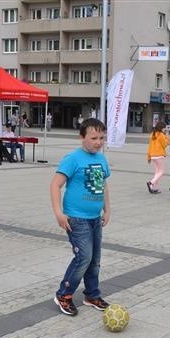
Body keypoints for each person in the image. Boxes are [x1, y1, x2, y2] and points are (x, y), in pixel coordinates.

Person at [50, 118, 111, 316]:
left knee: (95, 260)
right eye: (93, 138)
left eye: (102, 138)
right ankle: (64, 294)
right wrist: (59, 213)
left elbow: (104, 185)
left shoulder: (101, 159)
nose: (98, 142)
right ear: (81, 137)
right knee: (83, 257)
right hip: (77, 218)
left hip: (95, 218)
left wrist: (107, 209)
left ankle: (92, 294)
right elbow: (55, 185)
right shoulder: (73, 158)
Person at [146, 121, 170, 194]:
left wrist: (149, 157)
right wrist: (167, 136)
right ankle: (151, 183)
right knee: (161, 171)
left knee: (157, 171)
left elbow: (149, 146)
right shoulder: (161, 135)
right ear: (161, 128)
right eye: (164, 128)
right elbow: (165, 145)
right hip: (159, 155)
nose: (165, 129)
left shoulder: (152, 134)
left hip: (153, 156)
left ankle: (154, 188)